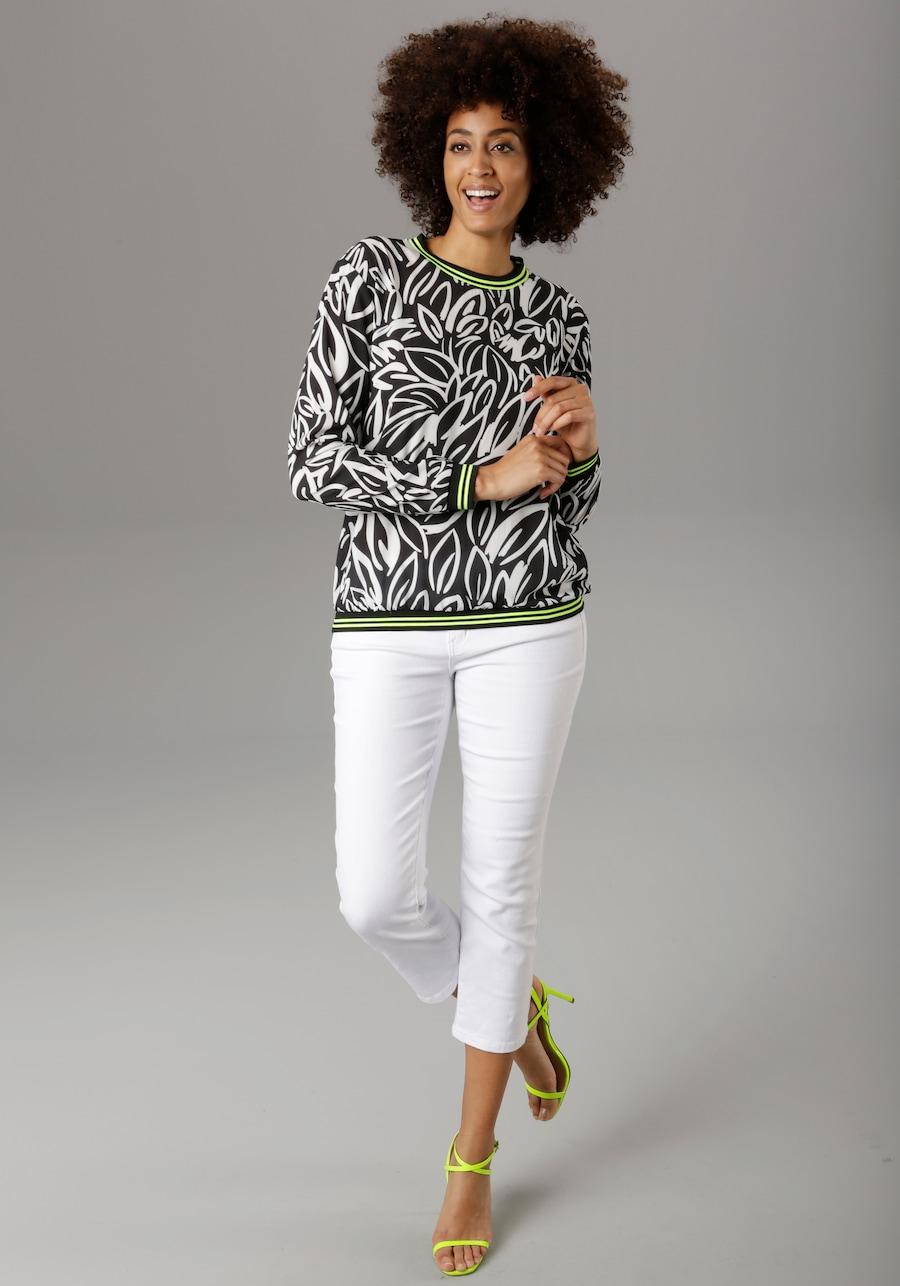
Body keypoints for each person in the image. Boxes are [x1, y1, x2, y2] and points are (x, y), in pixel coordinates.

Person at [288, 15, 631, 1275]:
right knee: (374, 892)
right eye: (460, 143)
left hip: (530, 622)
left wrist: (584, 451)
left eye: (506, 144)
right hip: (390, 618)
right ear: (428, 155)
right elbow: (313, 459)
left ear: (546, 165)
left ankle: (472, 1154)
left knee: (502, 886)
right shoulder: (366, 281)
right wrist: (477, 477)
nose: (480, 167)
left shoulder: (559, 315)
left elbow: (567, 506)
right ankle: (507, 1001)